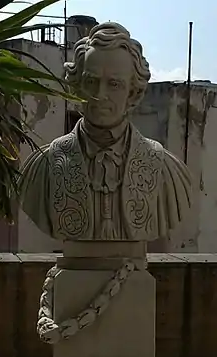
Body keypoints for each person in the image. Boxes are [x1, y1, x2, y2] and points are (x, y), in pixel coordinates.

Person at [19, 22, 192, 242]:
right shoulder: (43, 167)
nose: (101, 95)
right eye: (91, 82)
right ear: (77, 86)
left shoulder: (166, 170)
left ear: (133, 93)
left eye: (114, 84)